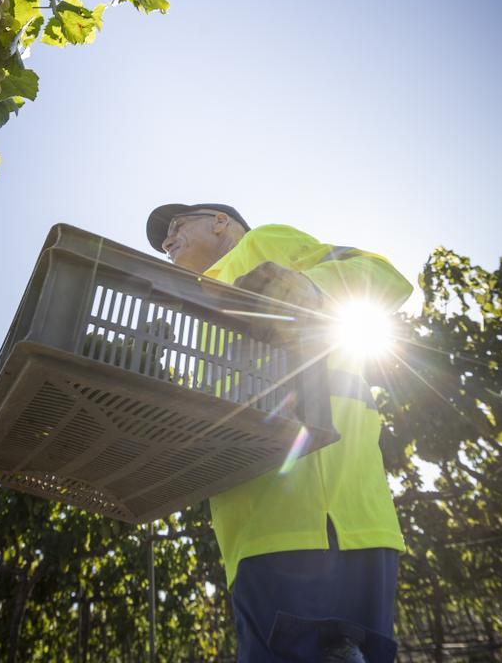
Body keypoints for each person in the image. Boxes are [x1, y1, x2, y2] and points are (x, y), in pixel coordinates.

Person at [147, 203, 413, 663]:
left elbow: (385, 277)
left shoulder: (260, 243)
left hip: (331, 521)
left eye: (175, 227)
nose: (167, 242)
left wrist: (310, 288)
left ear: (219, 222)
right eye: (163, 240)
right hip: (254, 532)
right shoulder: (198, 299)